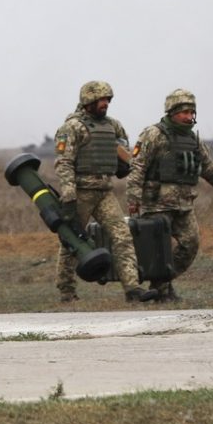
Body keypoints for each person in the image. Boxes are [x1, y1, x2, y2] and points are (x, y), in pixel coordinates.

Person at [125, 89, 213, 302]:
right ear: (172, 112)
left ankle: (160, 282)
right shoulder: (153, 134)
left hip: (184, 203)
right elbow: (137, 167)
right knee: (159, 250)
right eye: (184, 112)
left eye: (192, 112)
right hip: (157, 203)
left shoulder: (192, 139)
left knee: (190, 245)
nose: (189, 116)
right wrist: (133, 198)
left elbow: (207, 167)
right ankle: (161, 290)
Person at [54, 81, 156, 303]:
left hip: (104, 192)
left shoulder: (113, 126)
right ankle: (66, 291)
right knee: (71, 240)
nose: (105, 104)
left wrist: (125, 165)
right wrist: (69, 194)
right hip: (80, 193)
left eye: (108, 100)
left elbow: (124, 152)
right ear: (88, 101)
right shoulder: (72, 127)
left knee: (122, 236)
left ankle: (133, 289)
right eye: (101, 100)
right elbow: (64, 162)